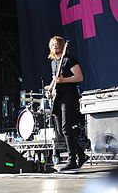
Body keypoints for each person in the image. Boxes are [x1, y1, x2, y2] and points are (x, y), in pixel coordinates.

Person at [46, 36, 89, 171]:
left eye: (58, 43)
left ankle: (72, 159)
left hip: (68, 96)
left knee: (66, 128)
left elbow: (79, 77)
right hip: (58, 97)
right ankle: (81, 155)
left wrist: (63, 81)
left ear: (63, 46)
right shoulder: (54, 62)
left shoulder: (69, 60)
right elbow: (55, 78)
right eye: (53, 44)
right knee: (60, 130)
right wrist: (51, 89)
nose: (55, 46)